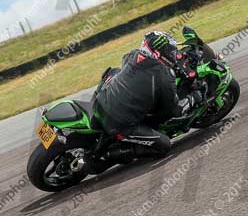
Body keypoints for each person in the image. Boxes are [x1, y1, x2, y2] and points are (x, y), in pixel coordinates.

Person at [83, 31, 206, 174]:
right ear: (157, 52)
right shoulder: (164, 78)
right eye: (167, 50)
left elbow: (129, 63)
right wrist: (193, 97)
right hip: (120, 124)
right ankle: (111, 155)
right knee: (164, 145)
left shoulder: (133, 54)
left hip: (101, 102)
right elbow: (173, 110)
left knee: (115, 71)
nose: (171, 53)